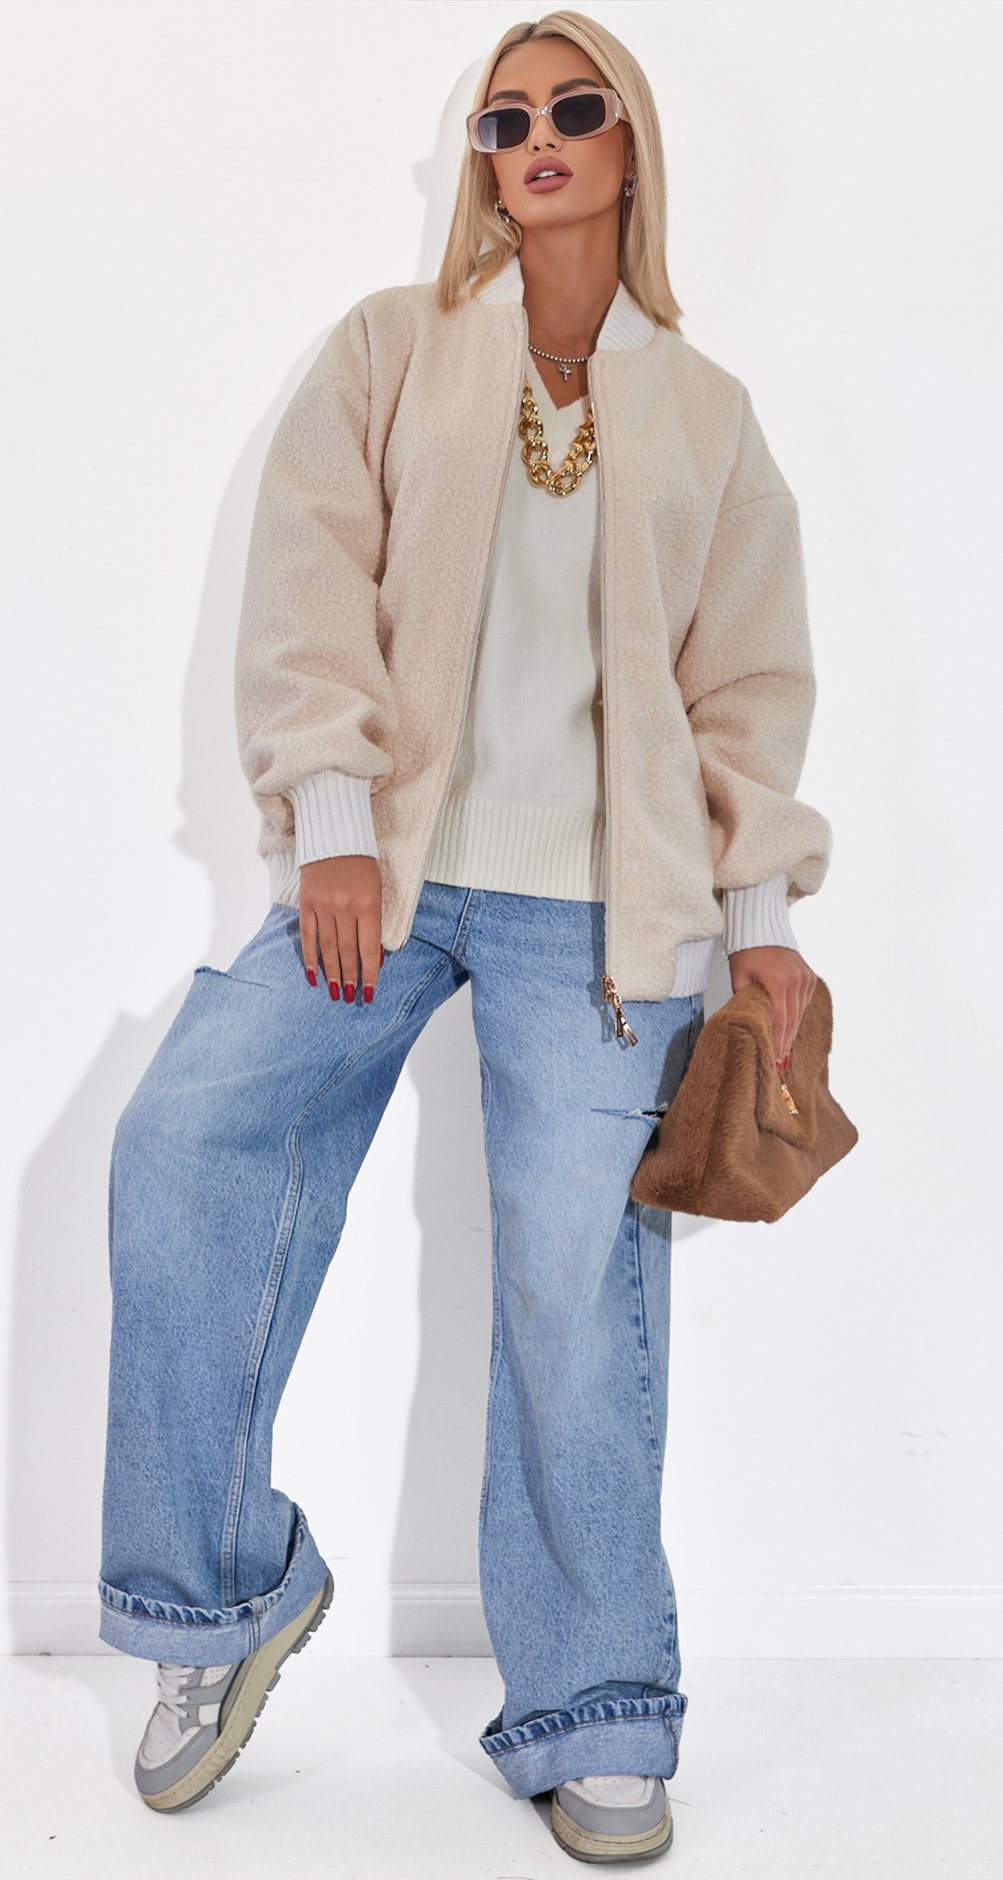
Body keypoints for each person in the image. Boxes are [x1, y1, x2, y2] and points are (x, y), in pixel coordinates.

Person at [95, 9, 831, 1862]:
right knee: (184, 1140)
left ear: (630, 145)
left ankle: (598, 1702)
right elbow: (306, 584)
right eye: (507, 118)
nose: (538, 136)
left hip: (605, 918)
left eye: (575, 108)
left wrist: (758, 920)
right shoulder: (395, 348)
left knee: (576, 1295)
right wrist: (335, 824)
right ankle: (217, 1601)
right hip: (391, 876)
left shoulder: (708, 412)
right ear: (482, 159)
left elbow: (745, 687)